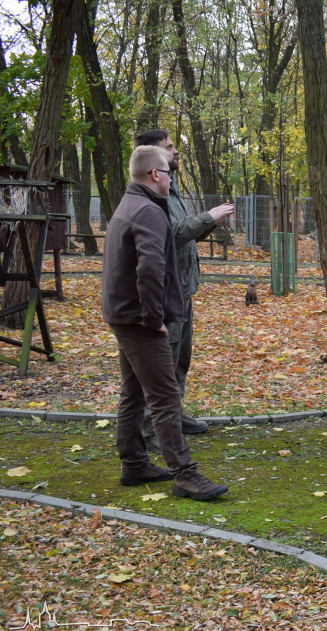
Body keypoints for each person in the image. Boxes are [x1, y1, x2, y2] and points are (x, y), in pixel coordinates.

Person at [102, 146, 228, 501]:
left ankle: (134, 463)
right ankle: (186, 476)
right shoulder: (149, 211)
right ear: (154, 174)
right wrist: (154, 319)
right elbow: (150, 269)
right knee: (165, 397)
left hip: (123, 315)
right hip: (140, 320)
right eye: (168, 172)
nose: (171, 177)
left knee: (133, 393)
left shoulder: (129, 204)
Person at [134, 129, 234, 452]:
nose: (176, 151)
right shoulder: (152, 194)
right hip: (165, 292)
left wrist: (208, 224)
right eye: (169, 147)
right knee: (163, 362)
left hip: (183, 288)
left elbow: (184, 234)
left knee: (181, 359)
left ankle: (173, 417)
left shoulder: (171, 188)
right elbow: (173, 234)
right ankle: (152, 432)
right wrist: (208, 216)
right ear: (154, 158)